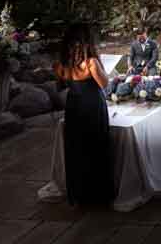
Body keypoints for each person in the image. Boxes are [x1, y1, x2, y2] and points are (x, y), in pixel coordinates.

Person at [53, 23, 114, 207]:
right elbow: (105, 84)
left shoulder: (61, 65)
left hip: (73, 108)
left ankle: (80, 195)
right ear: (88, 42)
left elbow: (60, 87)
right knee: (96, 148)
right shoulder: (91, 63)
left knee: (77, 150)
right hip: (93, 108)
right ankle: (98, 196)